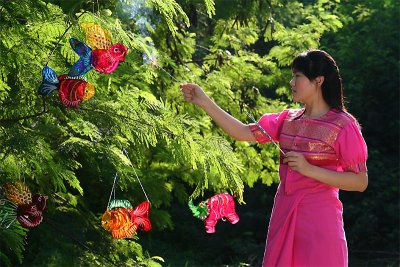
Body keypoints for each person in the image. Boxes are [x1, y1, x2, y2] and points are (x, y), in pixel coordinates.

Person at [180, 49, 368, 266]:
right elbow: (241, 132)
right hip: (284, 216)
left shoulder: (343, 125)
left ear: (318, 81)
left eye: (297, 76)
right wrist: (204, 101)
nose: (291, 82)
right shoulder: (287, 120)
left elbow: (360, 182)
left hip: (320, 223)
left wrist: (310, 169)